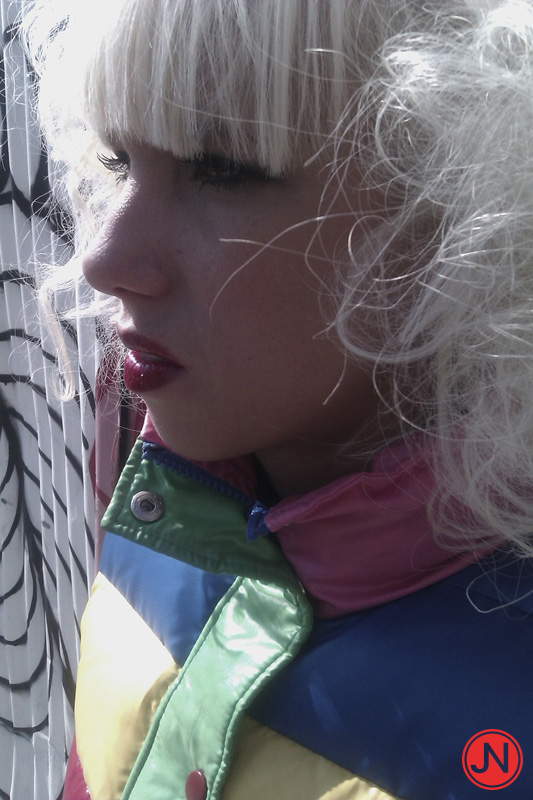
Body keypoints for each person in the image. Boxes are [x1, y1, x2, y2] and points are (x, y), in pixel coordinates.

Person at [24, 0, 533, 798]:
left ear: (458, 210)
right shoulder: (166, 506)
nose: (104, 258)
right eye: (119, 161)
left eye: (222, 168)